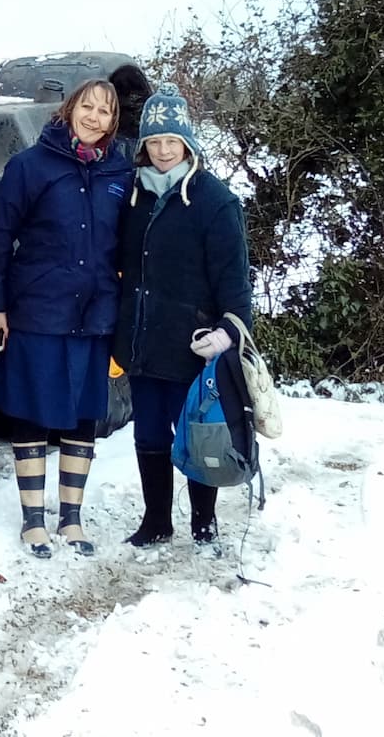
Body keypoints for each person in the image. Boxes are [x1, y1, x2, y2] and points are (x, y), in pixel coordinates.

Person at [0, 79, 132, 558]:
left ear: (113, 122)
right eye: (87, 106)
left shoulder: (121, 173)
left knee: (83, 416)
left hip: (95, 314)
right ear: (69, 110)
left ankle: (71, 520)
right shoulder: (30, 167)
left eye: (105, 112)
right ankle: (33, 522)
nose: (95, 117)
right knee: (33, 411)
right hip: (39, 310)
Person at [112, 85, 252, 547]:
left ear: (188, 144)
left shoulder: (216, 202)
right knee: (149, 434)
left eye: (172, 141)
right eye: (154, 142)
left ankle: (203, 521)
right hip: (142, 342)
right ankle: (156, 521)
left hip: (194, 347)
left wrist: (228, 333)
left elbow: (235, 282)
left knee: (197, 435)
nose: (164, 150)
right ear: (144, 147)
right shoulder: (132, 199)